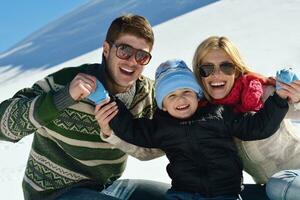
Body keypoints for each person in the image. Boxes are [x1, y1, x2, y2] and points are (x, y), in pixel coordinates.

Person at [0, 14, 170, 200]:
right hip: (53, 193)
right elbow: (3, 127)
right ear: (106, 49)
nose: (132, 61)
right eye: (124, 50)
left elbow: (160, 143)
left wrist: (114, 133)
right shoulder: (64, 82)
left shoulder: (147, 95)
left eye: (142, 56)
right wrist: (62, 99)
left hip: (105, 188)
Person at [96, 59, 289, 200]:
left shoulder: (219, 114)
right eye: (171, 96)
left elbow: (257, 127)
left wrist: (279, 98)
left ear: (197, 95)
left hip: (225, 194)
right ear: (162, 104)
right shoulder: (159, 126)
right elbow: (131, 130)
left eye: (186, 92)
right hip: (182, 194)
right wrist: (106, 100)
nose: (180, 100)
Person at [191, 36, 300, 200]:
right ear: (199, 74)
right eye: (207, 69)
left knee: (278, 186)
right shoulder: (205, 116)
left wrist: (298, 98)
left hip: (290, 181)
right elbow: (159, 141)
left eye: (226, 67)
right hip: (271, 191)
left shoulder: (263, 93)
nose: (217, 74)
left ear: (236, 69)